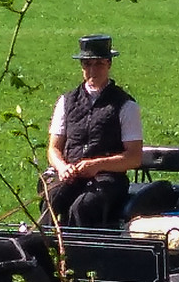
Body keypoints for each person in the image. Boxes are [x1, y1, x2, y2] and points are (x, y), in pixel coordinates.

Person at [44, 33, 144, 228]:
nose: (92, 70)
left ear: (109, 64)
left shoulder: (125, 106)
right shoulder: (66, 101)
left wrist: (97, 165)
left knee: (82, 207)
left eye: (98, 64)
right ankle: (48, 251)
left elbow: (134, 157)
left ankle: (80, 256)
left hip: (108, 179)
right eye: (87, 64)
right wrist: (63, 167)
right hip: (70, 174)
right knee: (53, 199)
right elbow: (53, 149)